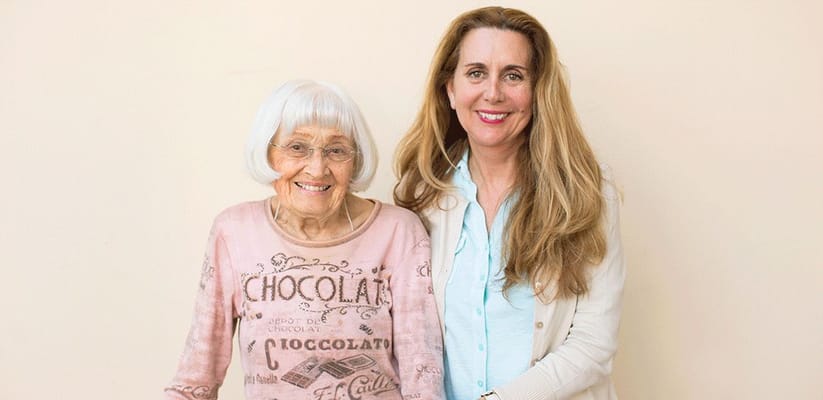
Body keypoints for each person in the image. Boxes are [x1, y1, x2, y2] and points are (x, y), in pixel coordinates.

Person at [393, 7, 625, 400]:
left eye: (514, 75)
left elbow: (594, 344)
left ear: (537, 91)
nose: (493, 92)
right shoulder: (422, 193)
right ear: (450, 89)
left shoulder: (586, 189)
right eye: (476, 72)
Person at [166, 80, 445, 400]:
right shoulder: (235, 232)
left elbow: (423, 373)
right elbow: (196, 377)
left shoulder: (398, 232)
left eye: (336, 150)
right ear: (269, 154)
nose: (317, 168)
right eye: (297, 147)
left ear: (355, 160)